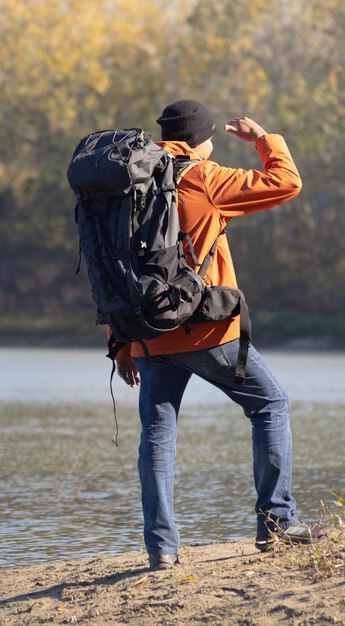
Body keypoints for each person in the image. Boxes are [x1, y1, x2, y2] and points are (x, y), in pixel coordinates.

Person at [114, 99, 322, 571]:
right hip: (208, 330)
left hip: (148, 334)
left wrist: (121, 342)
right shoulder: (204, 177)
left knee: (158, 436)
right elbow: (286, 182)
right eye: (209, 138)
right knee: (270, 405)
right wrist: (263, 138)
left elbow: (115, 268)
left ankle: (161, 550)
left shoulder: (129, 187)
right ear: (199, 139)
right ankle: (277, 524)